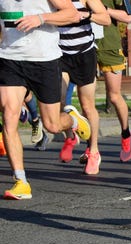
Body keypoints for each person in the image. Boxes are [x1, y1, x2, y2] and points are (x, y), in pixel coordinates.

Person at [0, 0, 91, 200]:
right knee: (8, 116)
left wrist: (40, 18)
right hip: (9, 59)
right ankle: (21, 181)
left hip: (44, 60)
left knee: (52, 124)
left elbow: (72, 14)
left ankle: (73, 119)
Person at [58, 0, 110, 175]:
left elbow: (106, 19)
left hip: (84, 55)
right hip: (60, 53)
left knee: (87, 105)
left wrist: (87, 15)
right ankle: (71, 137)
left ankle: (93, 151)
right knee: (58, 102)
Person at [97, 0, 131, 162]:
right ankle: (90, 148)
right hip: (84, 45)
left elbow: (127, 17)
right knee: (86, 100)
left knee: (114, 96)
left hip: (109, 46)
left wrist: (103, 10)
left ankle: (126, 133)